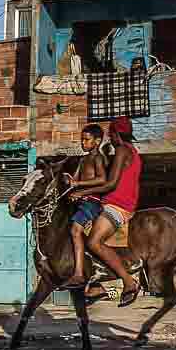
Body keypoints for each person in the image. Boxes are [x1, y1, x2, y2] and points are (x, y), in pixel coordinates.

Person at [71, 117, 144, 306]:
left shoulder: (121, 150)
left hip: (117, 205)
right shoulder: (133, 152)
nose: (109, 138)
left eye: (111, 134)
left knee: (94, 242)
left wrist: (82, 191)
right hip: (119, 204)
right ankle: (96, 286)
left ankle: (129, 282)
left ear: (116, 134)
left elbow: (110, 183)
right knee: (89, 238)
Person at [61, 124, 109, 288]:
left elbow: (102, 179)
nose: (83, 143)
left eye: (86, 139)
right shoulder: (83, 159)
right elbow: (74, 180)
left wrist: (78, 184)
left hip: (92, 201)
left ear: (97, 141)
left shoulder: (98, 158)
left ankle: (79, 273)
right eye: (82, 139)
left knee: (75, 230)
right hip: (81, 201)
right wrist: (69, 181)